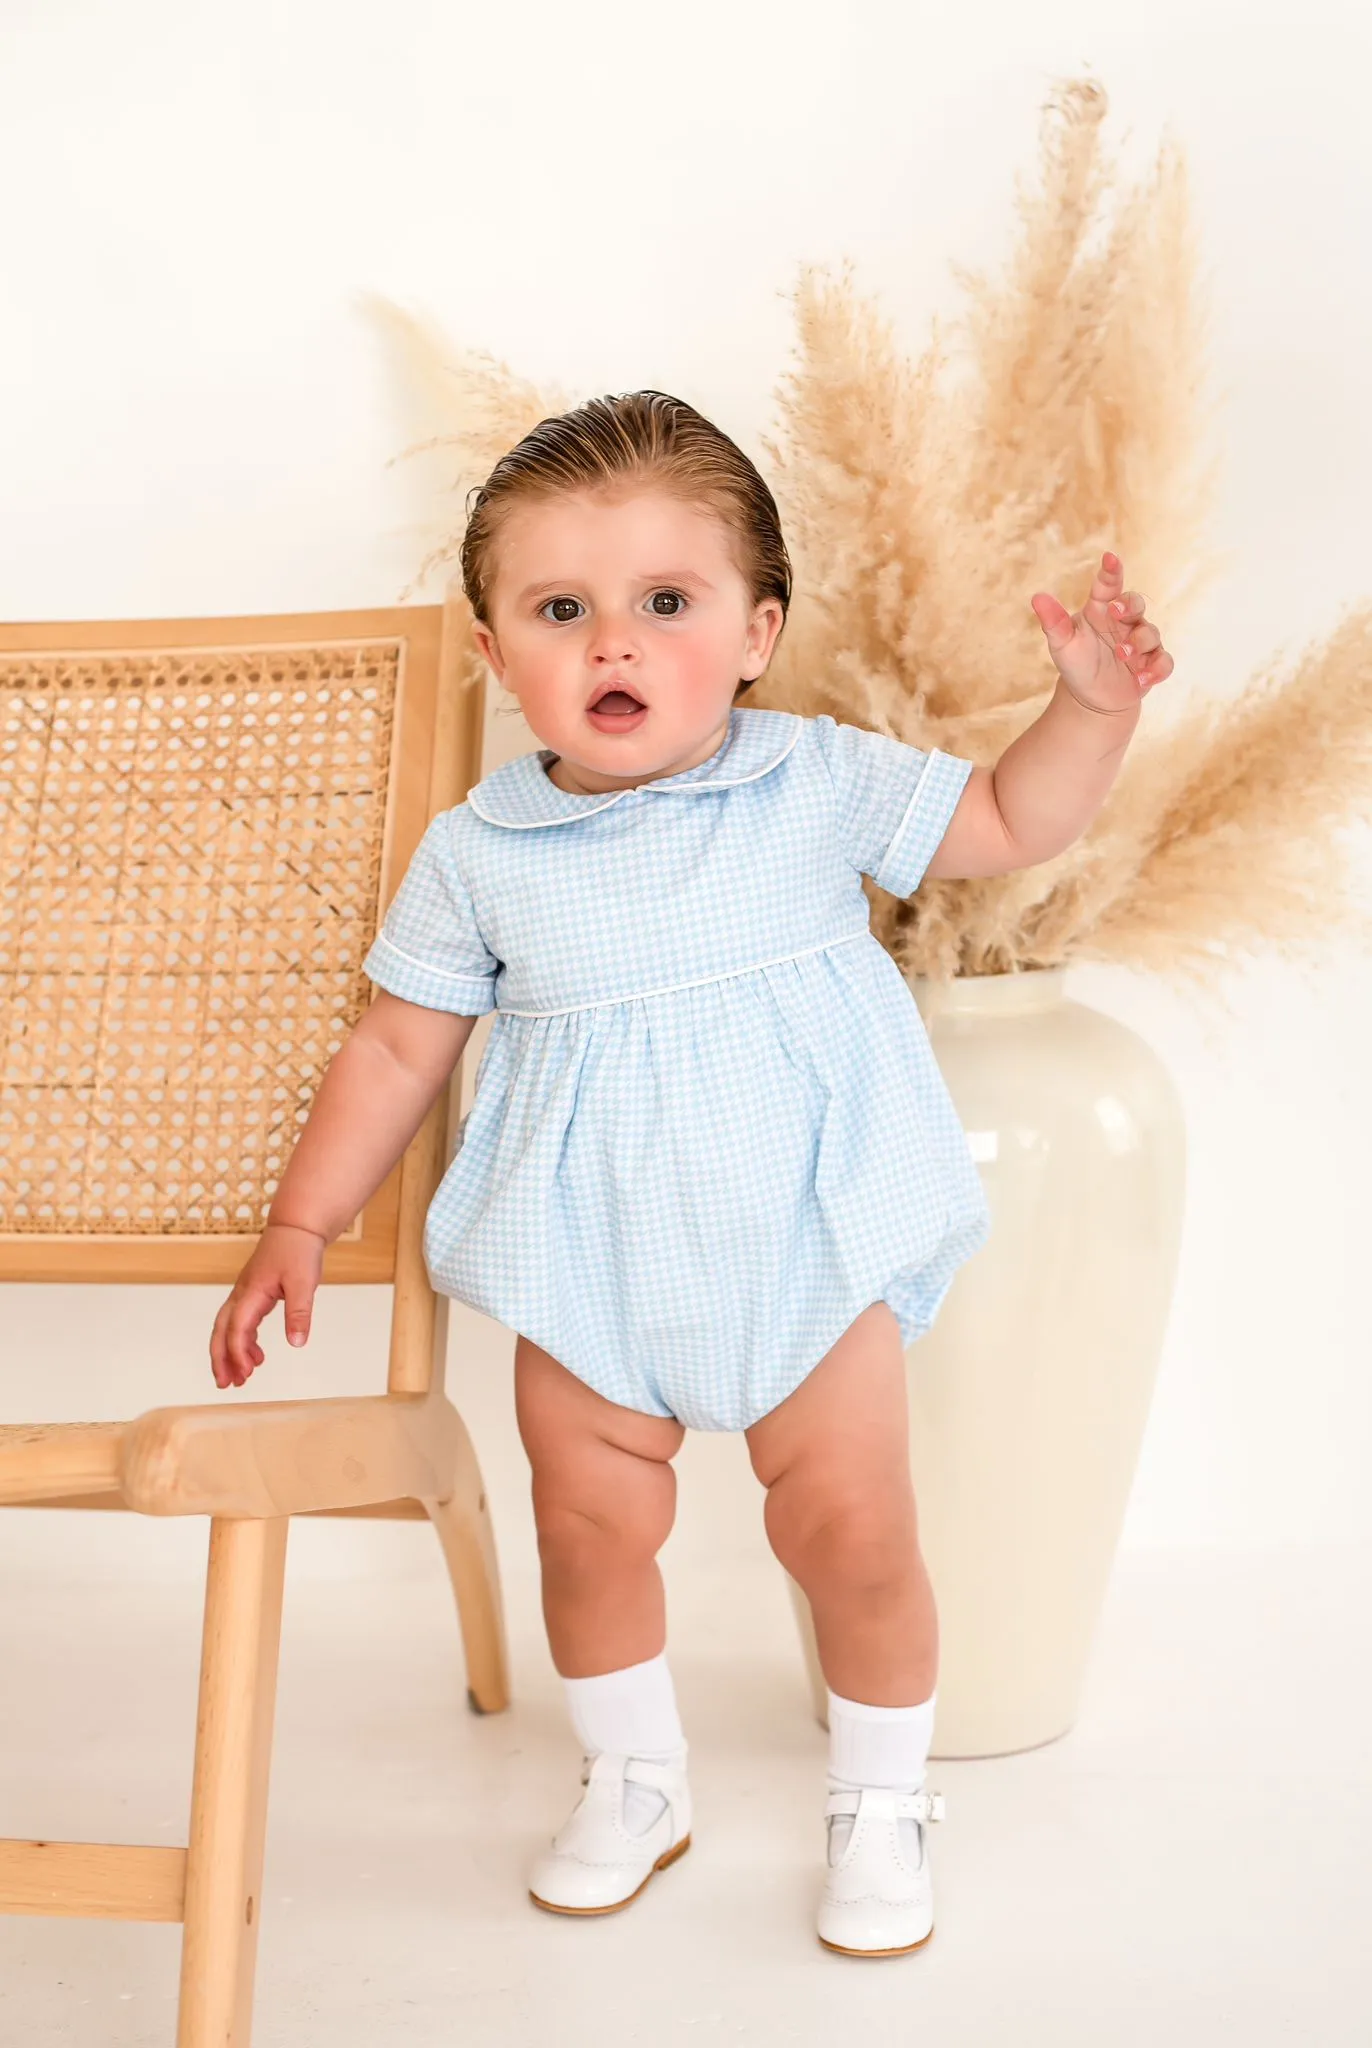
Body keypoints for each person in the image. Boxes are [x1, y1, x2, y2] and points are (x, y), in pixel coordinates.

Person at [208, 390, 1171, 1958]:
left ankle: (880, 1796)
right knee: (586, 1531)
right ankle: (635, 1773)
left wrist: (1092, 712)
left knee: (851, 1533)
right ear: (491, 650)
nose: (615, 645)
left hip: (805, 1247)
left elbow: (1002, 820)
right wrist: (302, 1220)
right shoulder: (479, 852)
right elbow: (398, 1050)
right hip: (588, 1270)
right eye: (561, 610)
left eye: (667, 604)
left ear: (753, 633)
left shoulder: (813, 781)